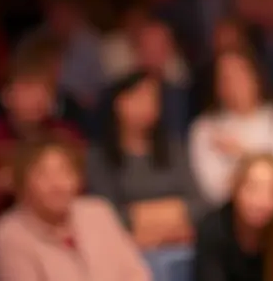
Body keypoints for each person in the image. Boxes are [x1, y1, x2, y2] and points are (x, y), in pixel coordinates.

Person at [0, 138, 151, 281]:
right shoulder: (10, 236)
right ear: (23, 183)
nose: (57, 185)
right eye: (43, 175)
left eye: (65, 172)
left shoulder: (98, 212)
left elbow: (136, 274)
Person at [85, 71, 205, 247]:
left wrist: (142, 214)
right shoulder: (98, 156)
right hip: (125, 244)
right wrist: (171, 211)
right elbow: (106, 213)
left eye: (153, 99)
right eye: (139, 96)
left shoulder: (174, 149)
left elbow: (199, 204)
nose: (147, 105)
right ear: (119, 102)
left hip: (180, 240)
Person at [0, 57, 84, 220]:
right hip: (1, 223)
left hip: (62, 221)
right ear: (6, 96)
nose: (38, 98)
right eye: (28, 89)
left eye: (45, 90)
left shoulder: (66, 136)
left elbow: (82, 187)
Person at [189, 50, 273, 207]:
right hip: (231, 216)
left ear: (256, 76)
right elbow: (213, 192)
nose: (234, 84)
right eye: (225, 78)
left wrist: (243, 152)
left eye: (240, 73)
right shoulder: (205, 128)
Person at [194, 154, 273, 281]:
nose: (261, 201)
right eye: (253, 188)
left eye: (272, 192)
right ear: (235, 189)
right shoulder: (212, 228)